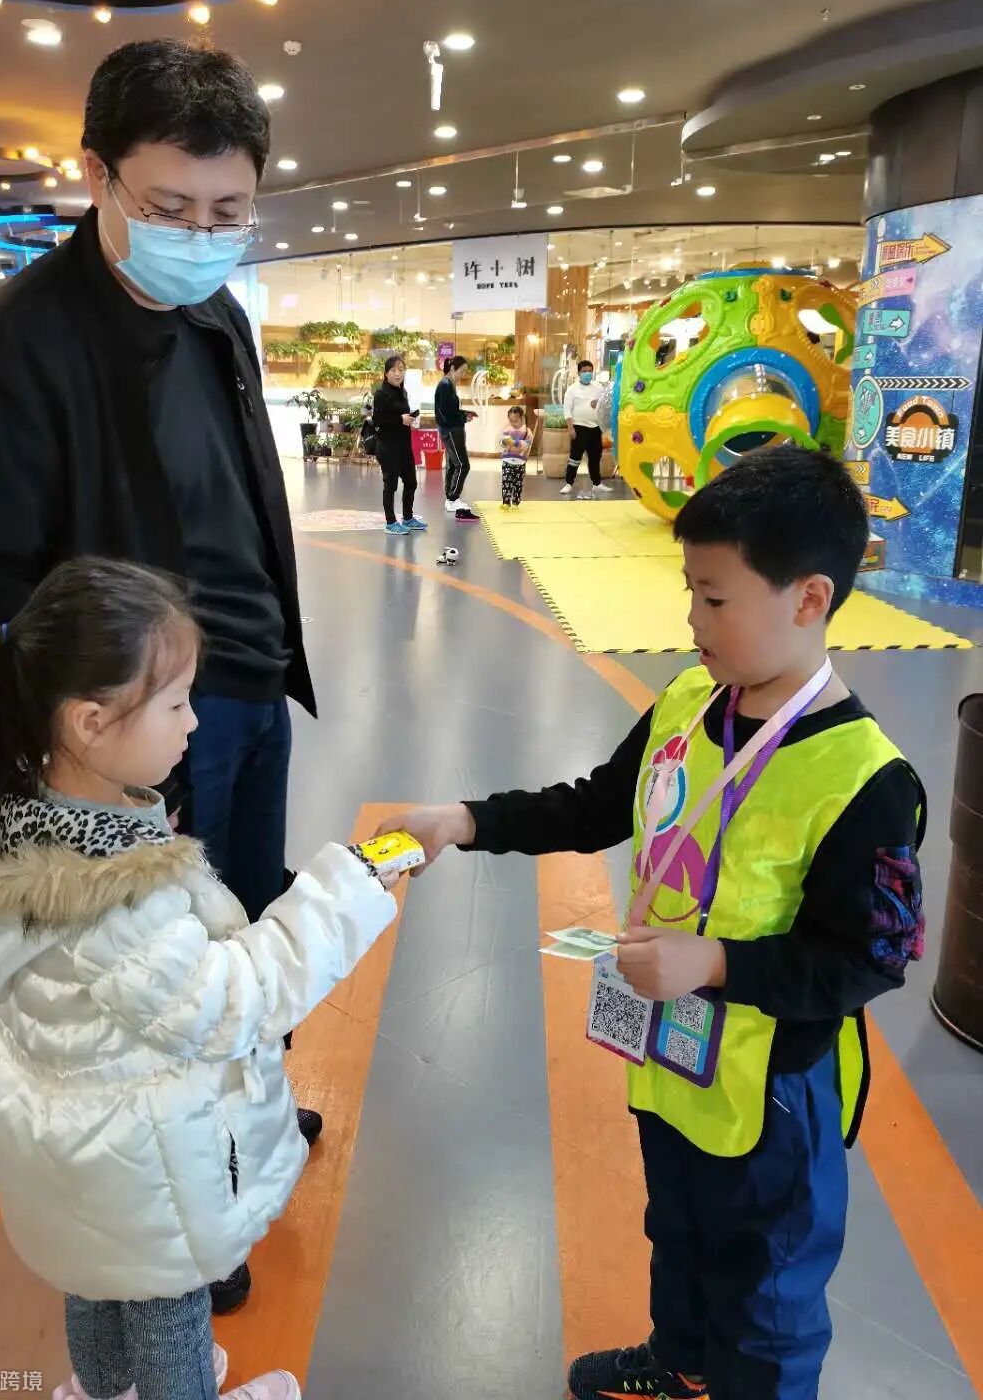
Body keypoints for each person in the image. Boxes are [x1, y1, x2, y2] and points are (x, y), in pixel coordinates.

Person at [376, 448, 927, 1400]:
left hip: (771, 1095)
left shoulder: (867, 780)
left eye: (714, 599)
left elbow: (868, 961)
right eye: (688, 593)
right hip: (669, 1055)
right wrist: (464, 821)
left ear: (809, 599)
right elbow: (600, 804)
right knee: (677, 1230)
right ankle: (681, 1363)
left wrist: (714, 963)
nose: (691, 621)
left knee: (767, 1296)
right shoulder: (686, 704)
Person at [0, 42, 325, 1260]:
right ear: (95, 173)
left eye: (228, 212)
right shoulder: (16, 352)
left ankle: (248, 1123)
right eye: (169, 207)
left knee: (246, 930)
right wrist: (84, 746)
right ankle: (191, 1222)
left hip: (244, 690)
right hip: (130, 733)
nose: (201, 237)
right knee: (160, 984)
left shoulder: (217, 317)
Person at [0, 558, 398, 1400]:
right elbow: (234, 1001)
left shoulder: (20, 824)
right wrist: (347, 887)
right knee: (169, 1305)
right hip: (142, 1163)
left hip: (67, 1143)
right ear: (92, 722)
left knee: (94, 1283)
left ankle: (103, 1390)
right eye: (175, 704)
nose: (194, 722)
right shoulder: (116, 898)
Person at [371, 354, 427, 535]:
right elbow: (378, 421)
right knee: (391, 485)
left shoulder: (403, 393)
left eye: (401, 370)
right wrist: (399, 419)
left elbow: (401, 417)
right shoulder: (381, 394)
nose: (397, 374)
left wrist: (409, 418)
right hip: (388, 447)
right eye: (393, 370)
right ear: (386, 373)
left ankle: (408, 518)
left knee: (411, 482)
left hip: (404, 446)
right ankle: (390, 523)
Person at [435, 355, 478, 521]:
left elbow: (450, 411)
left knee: (453, 464)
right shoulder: (445, 386)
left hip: (452, 430)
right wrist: (463, 417)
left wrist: (464, 415)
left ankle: (451, 498)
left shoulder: (448, 385)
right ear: (453, 369)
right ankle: (453, 498)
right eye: (462, 371)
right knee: (462, 465)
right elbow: (447, 415)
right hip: (451, 431)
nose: (463, 374)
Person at [562, 360, 612, 497]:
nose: (587, 374)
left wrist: (599, 403)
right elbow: (567, 410)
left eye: (590, 371)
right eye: (584, 371)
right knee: (575, 457)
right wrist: (570, 428)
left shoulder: (598, 387)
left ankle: (597, 483)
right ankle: (569, 483)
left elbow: (605, 403)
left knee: (595, 456)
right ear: (579, 373)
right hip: (579, 427)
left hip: (595, 427)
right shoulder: (572, 389)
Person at [500, 404, 533, 509]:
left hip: (520, 461)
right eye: (511, 421)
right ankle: (506, 502)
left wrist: (514, 443)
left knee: (518, 483)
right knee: (506, 481)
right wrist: (505, 442)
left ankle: (515, 502)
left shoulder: (527, 431)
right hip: (507, 459)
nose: (513, 423)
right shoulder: (506, 430)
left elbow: (526, 444)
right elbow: (502, 442)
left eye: (516, 421)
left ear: (522, 418)